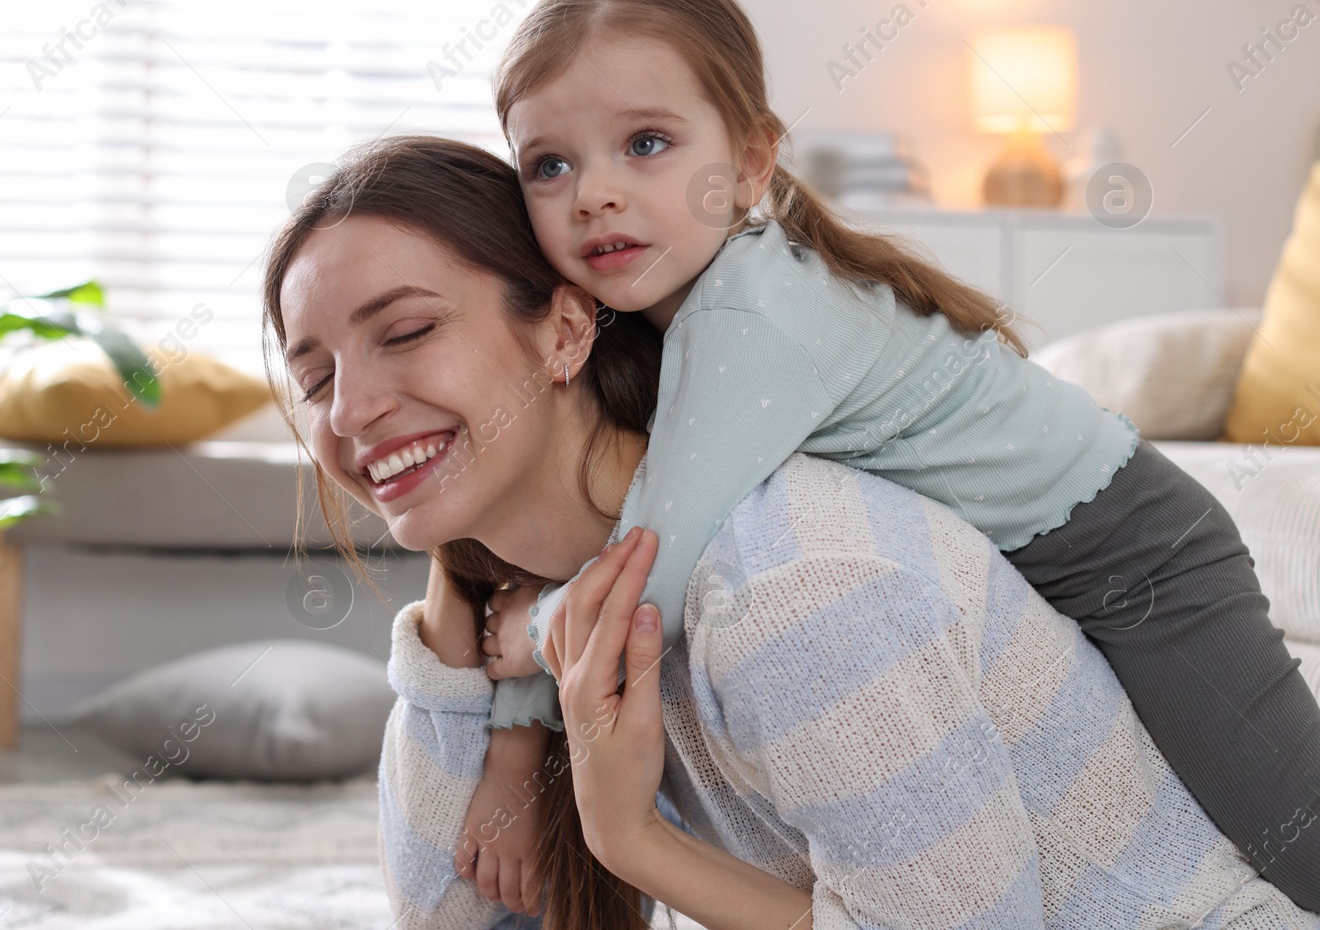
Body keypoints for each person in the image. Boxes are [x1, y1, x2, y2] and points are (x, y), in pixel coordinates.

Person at [262, 135, 1320, 929]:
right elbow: (454, 914)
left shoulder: (792, 584)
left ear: (567, 328)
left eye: (406, 332)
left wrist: (626, 836)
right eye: (313, 377)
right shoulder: (534, 616)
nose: (348, 410)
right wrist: (458, 627)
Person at [475, 0, 1320, 912]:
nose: (594, 193)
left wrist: (527, 631)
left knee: (1299, 839)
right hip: (1040, 568)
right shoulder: (661, 312)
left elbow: (648, 574)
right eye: (549, 165)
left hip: (1144, 564)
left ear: (751, 162)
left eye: (647, 144)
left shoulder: (752, 321)